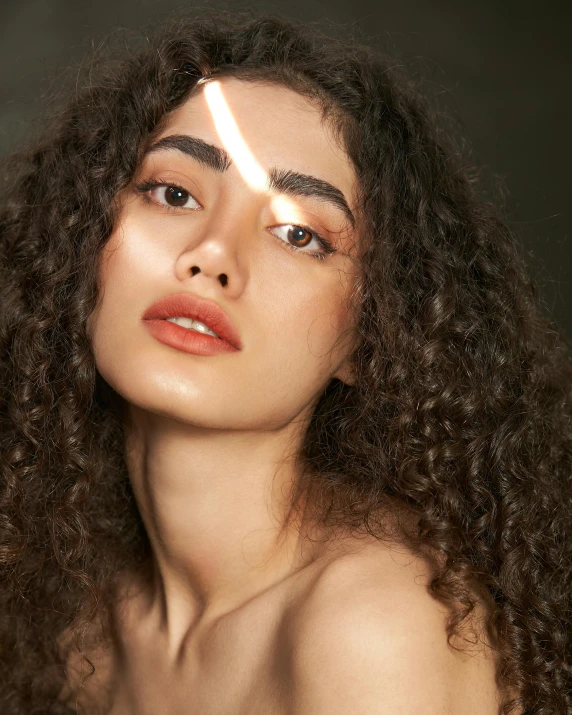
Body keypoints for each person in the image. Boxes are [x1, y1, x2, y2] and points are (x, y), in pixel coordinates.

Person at [0, 11, 569, 715]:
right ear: (82, 236)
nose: (212, 254)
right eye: (174, 193)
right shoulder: (69, 614)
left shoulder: (374, 623)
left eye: (299, 233)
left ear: (372, 337)